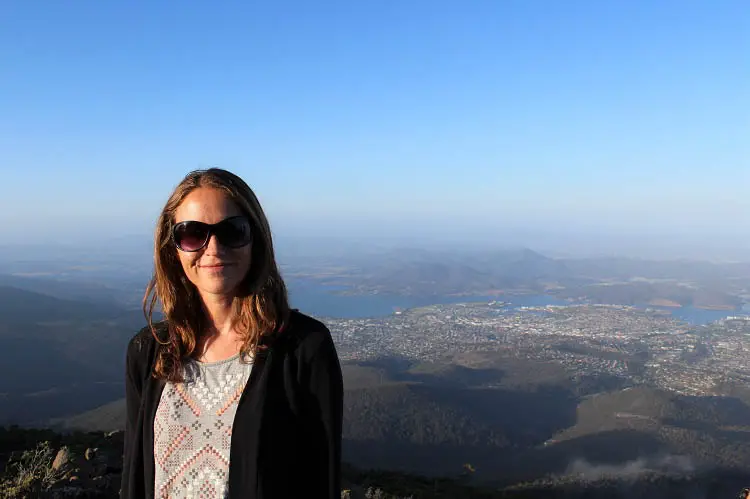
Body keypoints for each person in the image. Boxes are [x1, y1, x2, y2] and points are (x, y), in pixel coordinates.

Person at [121, 168, 344, 499]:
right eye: (192, 233)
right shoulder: (149, 351)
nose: (213, 248)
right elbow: (135, 476)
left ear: (256, 239)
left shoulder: (303, 349)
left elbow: (319, 480)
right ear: (173, 247)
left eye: (232, 231)